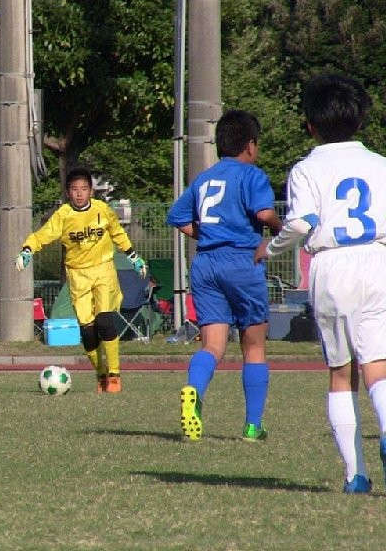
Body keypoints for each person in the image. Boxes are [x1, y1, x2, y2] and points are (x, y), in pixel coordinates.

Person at [255, 74, 386, 494]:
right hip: (378, 260)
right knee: (378, 366)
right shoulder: (380, 164)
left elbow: (301, 223)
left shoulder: (306, 169)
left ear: (311, 126)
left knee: (340, 372)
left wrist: (271, 248)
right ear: (359, 120)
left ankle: (355, 475)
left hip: (332, 266)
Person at [167, 110, 281, 442]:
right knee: (254, 346)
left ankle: (194, 388)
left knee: (213, 344)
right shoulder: (252, 175)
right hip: (242, 261)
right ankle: (252, 426)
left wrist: (205, 235)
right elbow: (264, 213)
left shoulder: (204, 179)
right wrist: (281, 230)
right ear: (250, 145)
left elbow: (178, 217)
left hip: (206, 264)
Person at [15, 167, 148, 393]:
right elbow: (43, 235)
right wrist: (27, 250)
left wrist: (133, 257)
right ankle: (101, 373)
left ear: (91, 191)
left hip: (103, 270)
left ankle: (114, 375)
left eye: (84, 189)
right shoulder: (63, 215)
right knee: (88, 331)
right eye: (75, 189)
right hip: (78, 276)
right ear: (68, 192)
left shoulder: (102, 210)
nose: (79, 194)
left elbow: (118, 233)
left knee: (105, 321)